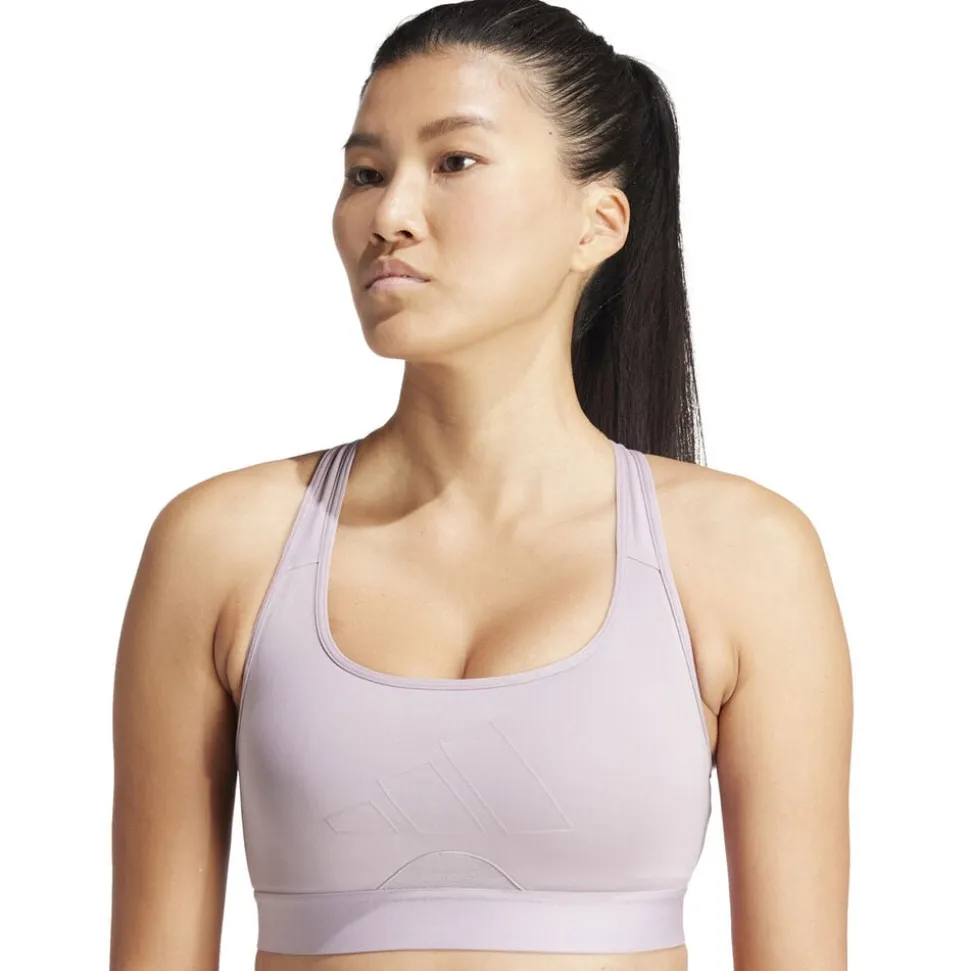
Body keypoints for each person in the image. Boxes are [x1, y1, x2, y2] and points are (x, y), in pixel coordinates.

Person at [110, 1, 853, 969]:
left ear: (598, 223)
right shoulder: (222, 545)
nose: (389, 215)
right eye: (365, 173)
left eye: (453, 162)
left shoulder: (744, 555)